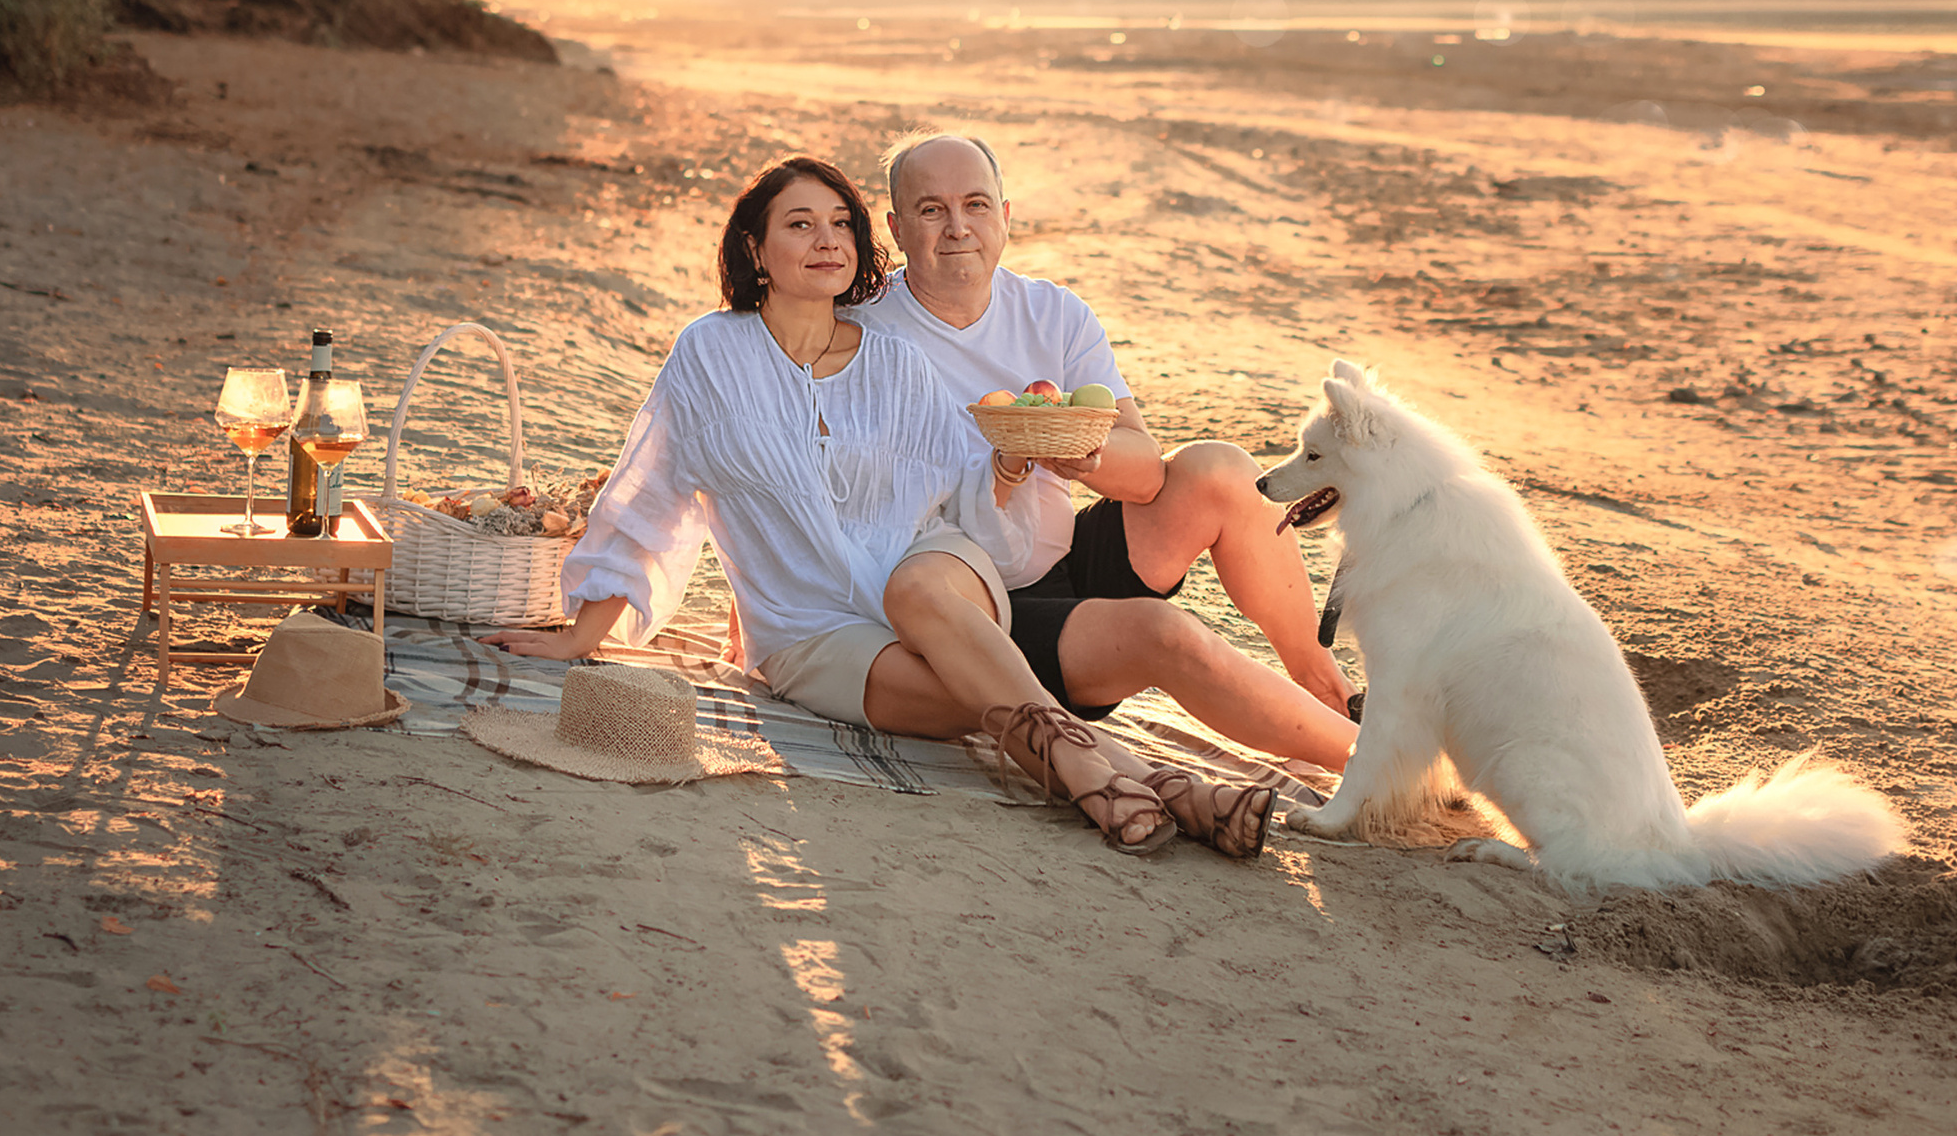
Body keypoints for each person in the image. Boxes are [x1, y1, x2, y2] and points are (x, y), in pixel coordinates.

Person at [481, 157, 1272, 859]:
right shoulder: (710, 355)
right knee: (972, 701)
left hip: (935, 568)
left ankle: (1097, 792)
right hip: (808, 626)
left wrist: (1006, 459)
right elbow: (649, 489)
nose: (827, 240)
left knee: (916, 587)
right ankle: (1163, 785)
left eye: (841, 225)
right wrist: (588, 628)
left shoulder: (895, 361)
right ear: (754, 250)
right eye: (800, 224)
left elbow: (965, 498)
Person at [859, 130, 1359, 772]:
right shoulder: (863, 327)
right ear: (898, 228)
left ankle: (1320, 680)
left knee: (1221, 470)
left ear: (1005, 217)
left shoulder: (1053, 313)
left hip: (1062, 560)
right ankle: (1369, 763)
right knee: (1163, 633)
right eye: (932, 210)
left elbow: (1147, 473)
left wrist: (1081, 452)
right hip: (974, 611)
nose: (958, 226)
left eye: (977, 204)